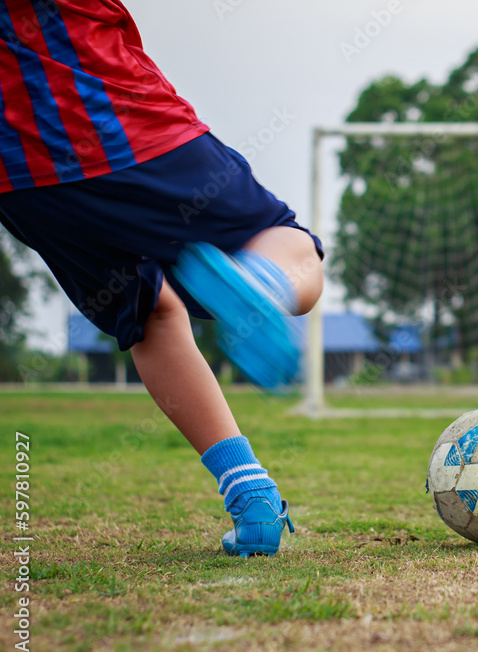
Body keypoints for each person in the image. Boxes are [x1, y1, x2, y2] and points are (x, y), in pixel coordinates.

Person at [0, 1, 322, 557]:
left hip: (20, 174)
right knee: (286, 241)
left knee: (146, 310)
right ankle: (264, 285)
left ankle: (253, 499)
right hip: (108, 111)